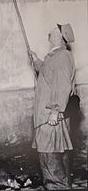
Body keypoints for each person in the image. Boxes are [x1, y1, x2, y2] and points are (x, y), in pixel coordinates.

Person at [29, 23, 76, 190]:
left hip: (51, 117)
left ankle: (57, 187)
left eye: (55, 29)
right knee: (56, 155)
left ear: (59, 37)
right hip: (47, 116)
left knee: (50, 157)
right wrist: (36, 61)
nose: (51, 31)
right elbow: (49, 74)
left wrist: (55, 111)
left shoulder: (62, 56)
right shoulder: (55, 56)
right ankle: (61, 185)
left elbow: (63, 85)